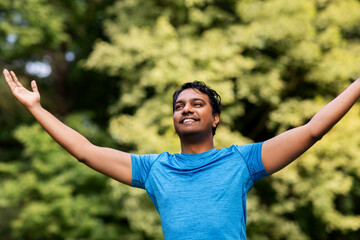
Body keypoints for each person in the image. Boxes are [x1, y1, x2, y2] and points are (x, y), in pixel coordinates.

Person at [3, 68, 360, 239]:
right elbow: (84, 150)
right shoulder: (154, 169)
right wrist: (37, 108)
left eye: (197, 104)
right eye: (179, 106)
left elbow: (312, 130)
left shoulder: (242, 162)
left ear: (214, 118)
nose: (186, 109)